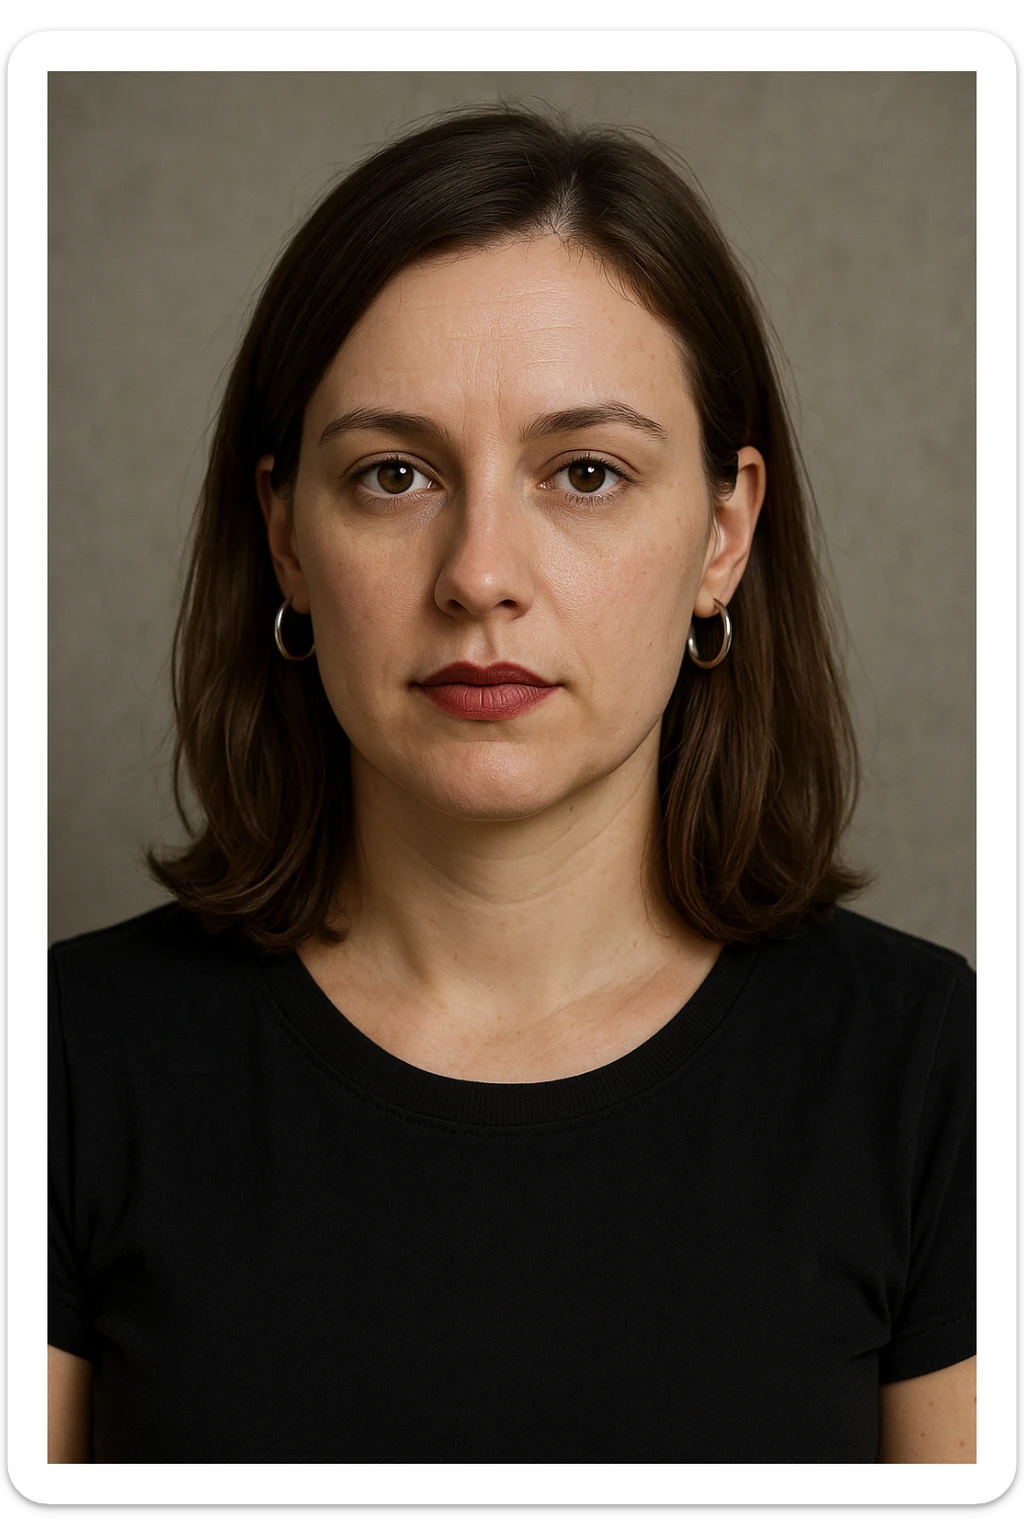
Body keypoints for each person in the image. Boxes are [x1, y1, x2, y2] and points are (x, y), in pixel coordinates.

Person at [48, 103, 976, 1465]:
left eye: (586, 473)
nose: (480, 572)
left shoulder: (938, 1074)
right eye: (394, 474)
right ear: (287, 538)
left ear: (724, 532)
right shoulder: (61, 1066)